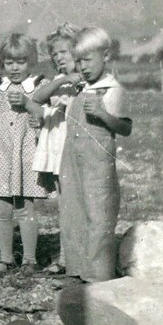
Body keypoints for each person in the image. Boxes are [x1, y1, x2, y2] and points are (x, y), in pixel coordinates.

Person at [59, 27, 132, 283]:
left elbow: (125, 127)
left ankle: (98, 274)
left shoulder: (112, 89)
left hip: (97, 163)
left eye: (88, 60)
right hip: (72, 160)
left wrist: (102, 114)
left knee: (98, 214)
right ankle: (77, 270)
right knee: (73, 212)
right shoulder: (80, 88)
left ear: (106, 55)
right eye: (79, 61)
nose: (83, 66)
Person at [0, 34, 48, 276]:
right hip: (1, 152)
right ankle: (5, 257)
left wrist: (27, 103)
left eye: (20, 62)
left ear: (31, 62)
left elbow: (42, 115)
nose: (14, 68)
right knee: (2, 208)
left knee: (25, 207)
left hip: (25, 151)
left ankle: (29, 259)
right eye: (9, 62)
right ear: (2, 63)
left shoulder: (37, 85)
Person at [30, 24, 81, 275]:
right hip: (58, 150)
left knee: (76, 204)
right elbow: (37, 98)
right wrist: (62, 79)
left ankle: (76, 257)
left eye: (63, 52)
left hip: (75, 148)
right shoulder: (57, 82)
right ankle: (65, 257)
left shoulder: (85, 81)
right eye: (55, 54)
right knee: (65, 204)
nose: (59, 57)